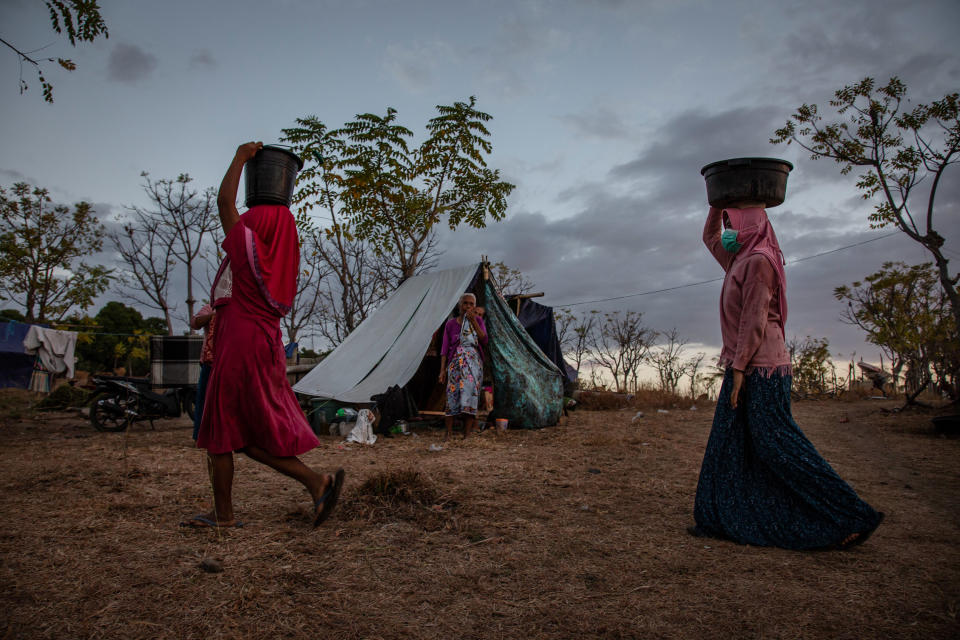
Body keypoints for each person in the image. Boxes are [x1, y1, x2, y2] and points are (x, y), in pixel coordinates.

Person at [691, 202, 883, 550]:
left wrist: (738, 370)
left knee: (777, 445)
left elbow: (755, 320)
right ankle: (718, 518)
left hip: (761, 368)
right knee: (728, 445)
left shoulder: (761, 261)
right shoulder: (738, 257)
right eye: (727, 223)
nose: (729, 231)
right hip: (743, 365)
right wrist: (717, 206)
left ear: (751, 225)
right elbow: (710, 237)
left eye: (733, 222)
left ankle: (849, 514)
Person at [182, 141, 344, 529]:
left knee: (222, 430)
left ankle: (235, 513)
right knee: (241, 432)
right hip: (264, 339)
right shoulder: (283, 242)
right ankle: (311, 484)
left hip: (240, 339)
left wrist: (239, 157)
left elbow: (225, 204)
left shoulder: (252, 237)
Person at [439, 293, 488, 439]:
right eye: (465, 303)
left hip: (473, 364)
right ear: (460, 305)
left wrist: (473, 321)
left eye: (471, 304)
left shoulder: (478, 320)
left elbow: (484, 340)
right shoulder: (451, 324)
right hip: (455, 364)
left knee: (470, 396)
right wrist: (442, 370)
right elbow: (444, 348)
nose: (468, 306)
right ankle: (448, 433)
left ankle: (466, 435)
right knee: (452, 396)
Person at [190, 303, 216, 441]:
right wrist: (213, 315)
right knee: (203, 400)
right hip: (210, 363)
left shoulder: (237, 307)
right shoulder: (211, 307)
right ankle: (199, 435)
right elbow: (195, 323)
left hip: (229, 363)